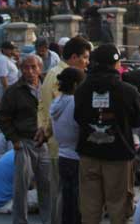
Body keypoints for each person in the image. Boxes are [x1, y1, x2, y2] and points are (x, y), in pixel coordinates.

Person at [74, 44, 140, 224]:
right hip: (118, 155)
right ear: (115, 64)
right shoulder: (128, 91)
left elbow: (78, 118)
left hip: (89, 153)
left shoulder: (82, 89)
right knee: (119, 207)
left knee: (89, 209)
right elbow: (137, 121)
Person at [38, 36, 92, 224]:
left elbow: (44, 108)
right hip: (64, 146)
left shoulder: (53, 72)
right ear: (74, 57)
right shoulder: (66, 78)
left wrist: (43, 131)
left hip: (56, 144)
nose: (87, 62)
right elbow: (65, 111)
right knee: (64, 197)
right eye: (85, 57)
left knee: (60, 193)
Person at [0, 54, 51, 224]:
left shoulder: (48, 86)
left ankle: (48, 219)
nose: (30, 71)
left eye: (33, 67)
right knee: (21, 186)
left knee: (47, 185)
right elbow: (3, 118)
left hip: (45, 142)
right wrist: (15, 140)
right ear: (21, 69)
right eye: (26, 68)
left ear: (40, 68)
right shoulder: (13, 91)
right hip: (24, 141)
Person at [50, 67, 86, 224]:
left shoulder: (57, 102)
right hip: (76, 157)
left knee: (67, 199)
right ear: (76, 85)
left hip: (62, 155)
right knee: (77, 202)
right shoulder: (75, 102)